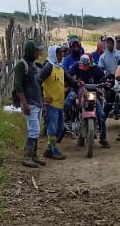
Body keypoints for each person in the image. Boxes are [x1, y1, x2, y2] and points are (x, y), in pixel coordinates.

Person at [39, 45, 78, 159]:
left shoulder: (60, 69)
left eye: (62, 53)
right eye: (59, 53)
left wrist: (79, 84)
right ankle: (55, 152)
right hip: (51, 105)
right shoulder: (48, 68)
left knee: (60, 128)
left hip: (60, 104)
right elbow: (37, 82)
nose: (62, 55)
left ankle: (49, 150)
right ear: (53, 54)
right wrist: (42, 98)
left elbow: (70, 81)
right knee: (52, 129)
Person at [14, 39, 47, 168]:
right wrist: (25, 103)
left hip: (36, 102)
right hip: (29, 103)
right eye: (37, 51)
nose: (39, 53)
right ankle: (27, 157)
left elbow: (36, 85)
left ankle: (34, 155)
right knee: (34, 130)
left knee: (35, 130)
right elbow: (18, 85)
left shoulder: (33, 64)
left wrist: (42, 102)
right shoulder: (21, 65)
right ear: (31, 51)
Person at [68, 54, 110, 147]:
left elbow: (104, 79)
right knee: (67, 104)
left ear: (91, 63)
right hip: (80, 94)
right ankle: (66, 124)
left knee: (102, 115)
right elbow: (68, 75)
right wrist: (73, 82)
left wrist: (105, 84)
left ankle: (103, 138)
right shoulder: (77, 65)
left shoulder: (97, 69)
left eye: (86, 66)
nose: (84, 68)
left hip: (92, 95)